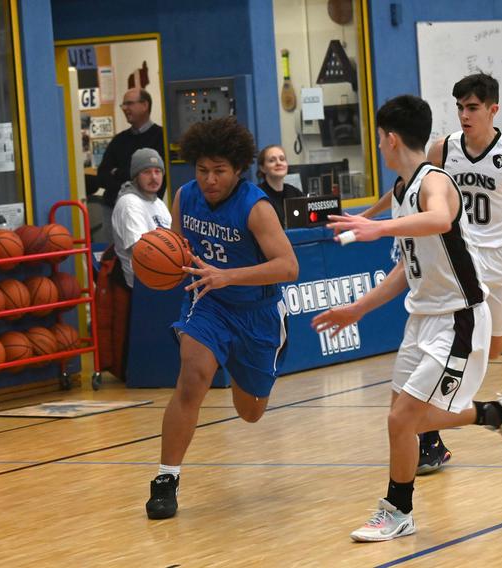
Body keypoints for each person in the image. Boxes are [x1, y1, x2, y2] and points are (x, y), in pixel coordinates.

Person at [312, 94, 502, 542]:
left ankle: (397, 510)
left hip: (459, 319)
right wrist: (358, 308)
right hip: (423, 319)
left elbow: (440, 217)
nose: (378, 147)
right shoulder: (402, 189)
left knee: (402, 421)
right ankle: (496, 414)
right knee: (407, 419)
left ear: (390, 139)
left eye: (378, 140)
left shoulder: (435, 180)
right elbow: (406, 268)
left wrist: (377, 227)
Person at [362, 74, 502, 475]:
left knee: (487, 350)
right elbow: (409, 182)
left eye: (472, 107)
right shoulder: (444, 148)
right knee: (454, 354)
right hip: (462, 255)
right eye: (459, 107)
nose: (465, 115)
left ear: (493, 110)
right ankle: (431, 436)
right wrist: (367, 215)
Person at [145, 117, 299, 519]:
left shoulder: (256, 208)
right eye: (202, 170)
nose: (209, 179)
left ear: (237, 170)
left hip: (256, 312)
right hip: (208, 304)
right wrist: (158, 258)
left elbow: (288, 267)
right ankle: (166, 478)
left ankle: (245, 367)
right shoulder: (185, 196)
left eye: (219, 171)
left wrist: (228, 275)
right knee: (193, 375)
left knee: (250, 412)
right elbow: (177, 249)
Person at [111, 148, 172, 288]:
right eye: (147, 172)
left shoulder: (158, 203)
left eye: (158, 171)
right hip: (140, 286)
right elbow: (142, 250)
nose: (154, 177)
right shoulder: (129, 203)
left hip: (163, 278)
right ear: (135, 176)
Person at [97, 88, 166, 208]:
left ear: (145, 105)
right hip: (113, 208)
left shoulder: (162, 137)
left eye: (129, 103)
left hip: (147, 208)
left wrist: (118, 172)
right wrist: (132, 179)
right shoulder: (119, 140)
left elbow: (158, 178)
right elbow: (102, 176)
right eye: (123, 105)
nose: (124, 108)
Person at [256, 145, 304, 228]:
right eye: (272, 160)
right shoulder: (257, 195)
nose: (278, 163)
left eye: (282, 159)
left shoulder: (295, 192)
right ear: (262, 168)